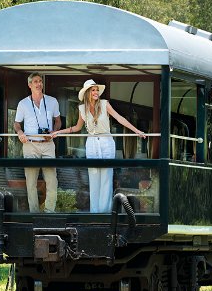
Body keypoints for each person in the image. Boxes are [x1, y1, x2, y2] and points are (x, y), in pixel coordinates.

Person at [52, 79, 146, 213]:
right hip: (91, 143)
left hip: (106, 142)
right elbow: (77, 127)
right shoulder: (82, 108)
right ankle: (94, 212)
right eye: (93, 90)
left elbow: (120, 118)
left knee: (106, 178)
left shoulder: (104, 104)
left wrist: (136, 131)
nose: (96, 92)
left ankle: (105, 212)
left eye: (97, 90)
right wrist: (58, 132)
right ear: (87, 93)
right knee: (94, 177)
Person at [13, 72, 61, 213]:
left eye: (40, 81)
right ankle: (34, 213)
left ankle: (49, 212)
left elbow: (58, 121)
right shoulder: (23, 103)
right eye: (35, 81)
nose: (39, 84)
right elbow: (16, 123)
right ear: (29, 85)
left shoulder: (52, 101)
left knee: (52, 181)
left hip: (48, 144)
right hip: (30, 145)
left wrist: (54, 132)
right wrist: (20, 133)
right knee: (31, 182)